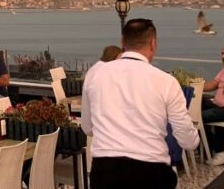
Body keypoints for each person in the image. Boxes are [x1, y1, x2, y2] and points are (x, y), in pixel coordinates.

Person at [81, 19, 198, 189]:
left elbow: (88, 127)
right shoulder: (166, 82)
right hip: (151, 173)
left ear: (123, 43)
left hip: (105, 172)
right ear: (153, 43)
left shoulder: (96, 75)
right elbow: (187, 140)